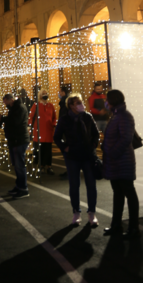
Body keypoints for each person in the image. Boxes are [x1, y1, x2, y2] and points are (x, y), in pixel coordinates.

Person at [54, 92, 100, 226]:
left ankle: (92, 213)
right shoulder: (64, 119)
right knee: (74, 185)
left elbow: (95, 134)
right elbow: (57, 137)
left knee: (91, 185)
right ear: (71, 106)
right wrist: (64, 147)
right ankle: (76, 213)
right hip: (72, 156)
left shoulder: (88, 117)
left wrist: (93, 145)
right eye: (78, 103)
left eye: (81, 102)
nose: (81, 105)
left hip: (87, 156)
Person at [102, 89, 140, 239]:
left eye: (107, 99)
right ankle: (116, 225)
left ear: (112, 101)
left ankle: (134, 228)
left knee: (129, 193)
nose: (105, 102)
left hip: (122, 162)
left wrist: (112, 153)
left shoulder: (124, 116)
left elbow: (125, 139)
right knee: (118, 194)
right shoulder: (116, 115)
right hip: (116, 162)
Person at [0, 93, 30, 199]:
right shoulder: (14, 108)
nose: (5, 105)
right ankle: (19, 186)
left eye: (6, 102)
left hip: (19, 139)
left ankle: (24, 188)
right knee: (17, 165)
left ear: (10, 99)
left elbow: (15, 122)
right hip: (15, 139)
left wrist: (4, 120)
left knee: (19, 165)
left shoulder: (19, 107)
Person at [28, 88, 57, 174]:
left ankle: (49, 166)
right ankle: (40, 166)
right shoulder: (36, 105)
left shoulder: (50, 105)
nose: (45, 94)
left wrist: (53, 124)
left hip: (48, 131)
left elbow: (54, 117)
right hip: (39, 131)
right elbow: (31, 116)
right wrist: (30, 126)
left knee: (48, 150)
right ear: (40, 95)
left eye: (46, 93)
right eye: (43, 93)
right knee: (40, 149)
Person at [58, 86, 70, 180]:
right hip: (66, 128)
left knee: (67, 149)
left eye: (60, 92)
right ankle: (69, 169)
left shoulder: (65, 102)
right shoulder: (65, 102)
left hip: (66, 129)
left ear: (63, 92)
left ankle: (70, 170)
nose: (59, 93)